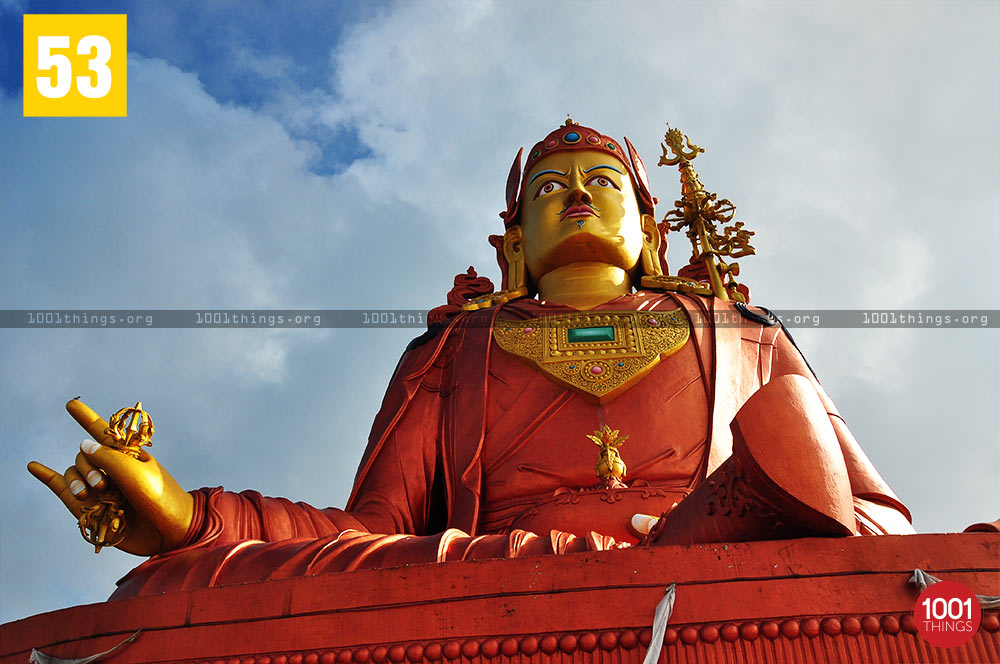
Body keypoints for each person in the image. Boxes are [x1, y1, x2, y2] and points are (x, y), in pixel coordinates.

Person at [28, 122, 914, 599]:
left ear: (648, 230)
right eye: (549, 188)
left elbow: (874, 520)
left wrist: (732, 526)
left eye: (601, 183)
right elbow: (370, 532)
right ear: (514, 240)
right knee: (170, 587)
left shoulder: (741, 330)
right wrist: (191, 520)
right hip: (502, 567)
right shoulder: (455, 350)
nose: (574, 193)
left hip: (718, 546)